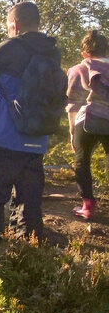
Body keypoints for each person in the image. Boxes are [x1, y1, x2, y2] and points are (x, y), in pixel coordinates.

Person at [0, 1, 61, 242]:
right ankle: (29, 256)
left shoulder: (11, 47)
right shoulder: (51, 52)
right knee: (28, 204)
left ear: (14, 24)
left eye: (8, 25)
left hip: (2, 138)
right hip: (37, 140)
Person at [65, 29, 109, 219]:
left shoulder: (78, 69)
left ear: (84, 53)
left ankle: (88, 206)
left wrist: (72, 131)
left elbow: (73, 103)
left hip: (86, 119)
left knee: (82, 161)